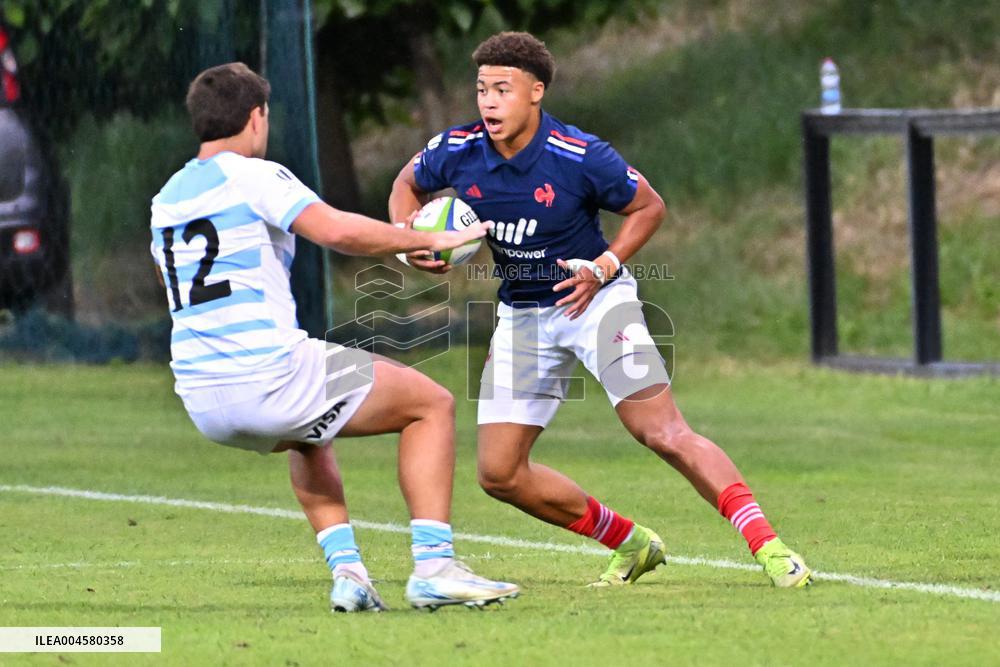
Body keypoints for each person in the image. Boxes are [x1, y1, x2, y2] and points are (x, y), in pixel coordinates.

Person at [389, 32, 812, 588]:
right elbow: (406, 184)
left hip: (597, 305)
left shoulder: (579, 154)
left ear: (536, 92)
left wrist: (605, 265)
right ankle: (632, 543)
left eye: (503, 89)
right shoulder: (456, 148)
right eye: (481, 89)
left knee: (662, 432)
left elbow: (648, 206)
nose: (488, 102)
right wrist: (406, 237)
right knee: (499, 474)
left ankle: (771, 547)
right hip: (521, 317)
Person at [150, 62, 520, 612]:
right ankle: (435, 566)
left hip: (201, 395)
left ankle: (349, 574)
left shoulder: (166, 198)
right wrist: (418, 238)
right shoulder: (255, 176)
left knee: (309, 434)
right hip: (270, 374)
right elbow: (336, 230)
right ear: (257, 117)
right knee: (430, 405)